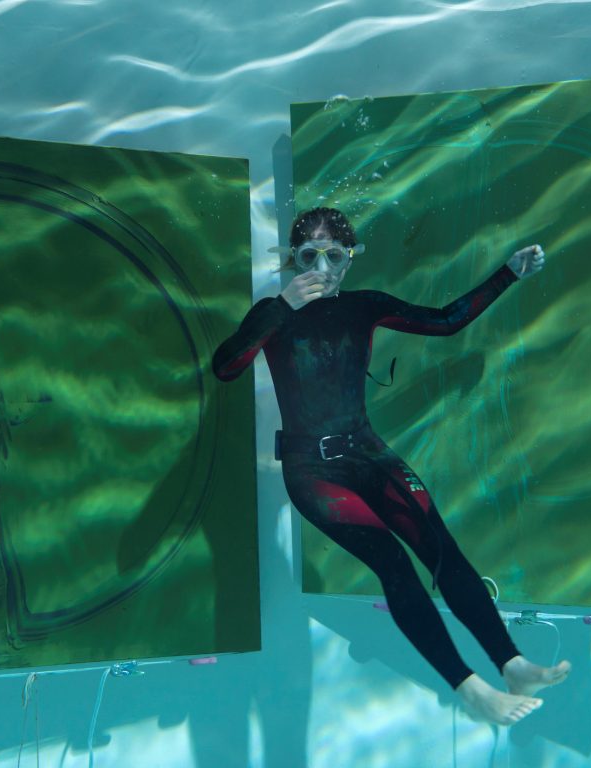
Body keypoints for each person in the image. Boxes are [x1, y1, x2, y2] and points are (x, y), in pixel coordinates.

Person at [212, 207, 569, 726]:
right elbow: (225, 367)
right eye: (308, 256)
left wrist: (508, 273)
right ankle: (470, 689)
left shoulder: (365, 306)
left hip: (369, 453)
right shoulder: (273, 311)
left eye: (334, 255)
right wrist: (282, 308)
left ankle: (512, 665)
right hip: (312, 471)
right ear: (292, 261)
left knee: (441, 547)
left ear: (350, 258)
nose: (322, 268)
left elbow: (445, 321)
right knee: (394, 562)